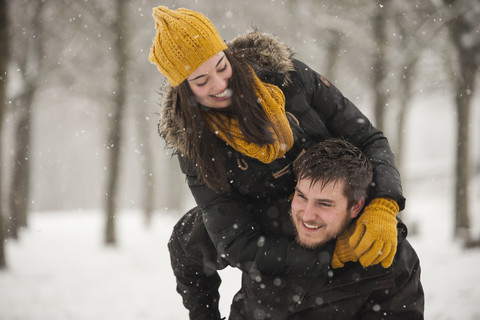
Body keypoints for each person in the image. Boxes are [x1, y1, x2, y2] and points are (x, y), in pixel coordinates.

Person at [148, 6, 405, 319]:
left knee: (389, 252)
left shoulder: (289, 77)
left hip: (331, 198)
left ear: (227, 54)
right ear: (185, 90)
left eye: (221, 66)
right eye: (201, 81)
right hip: (267, 222)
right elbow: (236, 240)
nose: (218, 84)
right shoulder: (194, 143)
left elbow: (368, 139)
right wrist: (328, 256)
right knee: (188, 237)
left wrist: (384, 205)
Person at [228, 138, 424, 319]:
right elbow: (197, 253)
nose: (307, 215)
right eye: (302, 197)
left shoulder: (388, 255)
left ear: (356, 206)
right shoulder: (259, 220)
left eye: (325, 204)